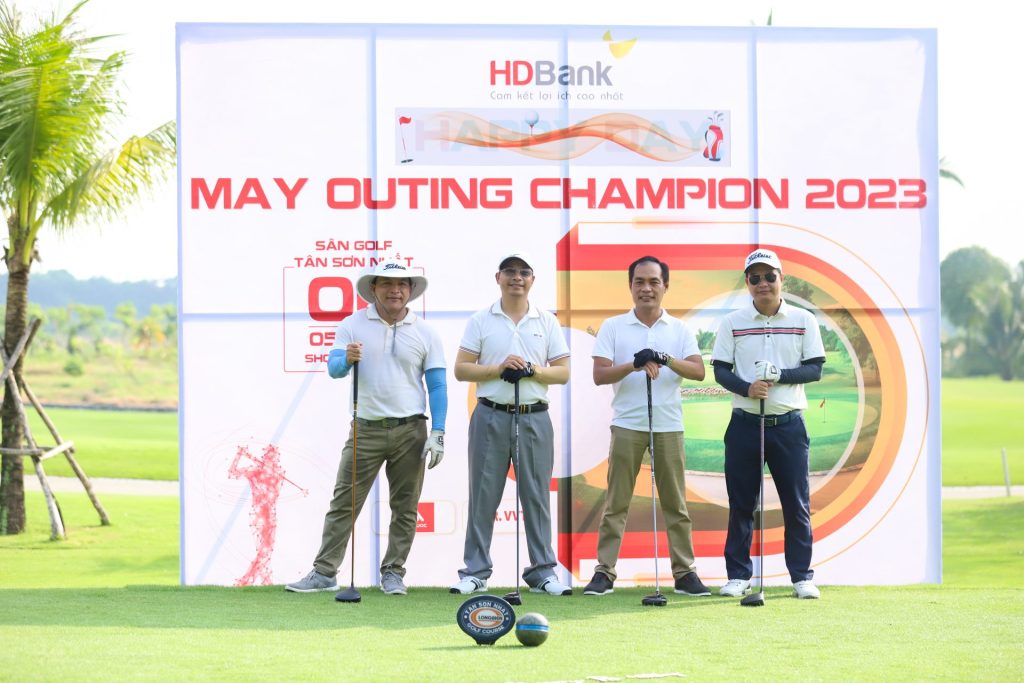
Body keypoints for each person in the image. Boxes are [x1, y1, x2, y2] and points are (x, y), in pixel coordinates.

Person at [285, 259, 447, 596]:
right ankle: (324, 572)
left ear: (411, 290)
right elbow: (334, 369)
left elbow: (437, 386)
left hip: (411, 429)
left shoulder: (426, 332)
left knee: (405, 507)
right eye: (387, 283)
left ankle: (393, 573)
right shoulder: (352, 324)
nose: (395, 290)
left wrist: (438, 432)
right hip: (365, 429)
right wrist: (346, 359)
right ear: (373, 288)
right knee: (344, 502)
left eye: (402, 284)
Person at [582, 255, 711, 598]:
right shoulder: (614, 326)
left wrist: (664, 358)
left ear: (665, 286)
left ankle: (684, 572)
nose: (646, 288)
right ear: (630, 286)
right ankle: (604, 571)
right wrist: (634, 364)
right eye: (639, 281)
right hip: (627, 423)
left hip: (668, 425)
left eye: (654, 281)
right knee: (616, 502)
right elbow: (599, 374)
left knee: (675, 503)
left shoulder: (679, 329)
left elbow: (698, 371)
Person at [449, 252, 573, 596]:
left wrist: (532, 370)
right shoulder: (481, 320)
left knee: (536, 495)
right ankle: (476, 571)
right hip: (490, 414)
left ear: (532, 280)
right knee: (483, 495)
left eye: (523, 272)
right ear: (498, 278)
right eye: (510, 272)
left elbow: (563, 372)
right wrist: (498, 369)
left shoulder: (545, 321)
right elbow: (462, 369)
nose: (517, 278)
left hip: (534, 415)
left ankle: (543, 571)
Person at [710, 248, 825, 599]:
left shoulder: (804, 320)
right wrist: (747, 388)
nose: (763, 283)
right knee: (741, 503)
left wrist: (779, 375)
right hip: (745, 424)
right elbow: (720, 370)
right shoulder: (733, 322)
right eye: (755, 278)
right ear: (747, 283)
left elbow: (814, 369)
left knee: (796, 503)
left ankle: (801, 576)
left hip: (789, 425)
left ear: (781, 279)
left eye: (769, 276)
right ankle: (739, 575)